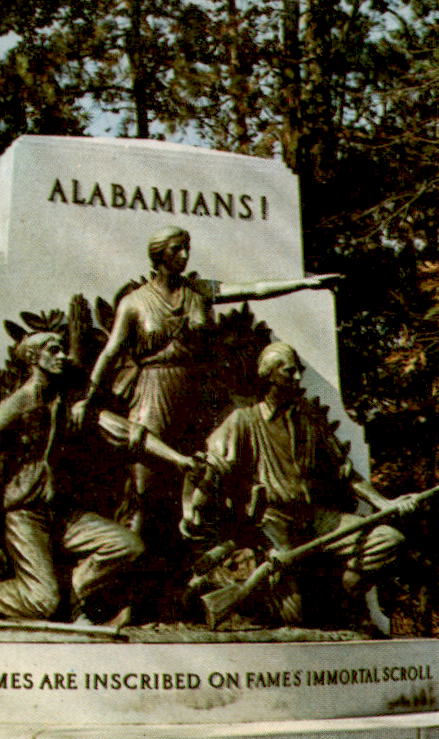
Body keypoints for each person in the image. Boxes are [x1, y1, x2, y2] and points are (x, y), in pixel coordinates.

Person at [79, 226, 337, 539]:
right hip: (154, 388)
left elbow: (255, 289)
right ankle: (135, 541)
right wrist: (89, 396)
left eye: (187, 248)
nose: (184, 255)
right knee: (145, 475)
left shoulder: (199, 291)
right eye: (176, 249)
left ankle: (213, 536)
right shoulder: (134, 303)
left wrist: (304, 284)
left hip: (198, 390)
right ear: (159, 255)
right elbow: (111, 352)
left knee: (212, 462)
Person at [0, 332, 205, 625]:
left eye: (63, 350)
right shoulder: (12, 411)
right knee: (43, 603)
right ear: (33, 358)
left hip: (62, 515)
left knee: (127, 546)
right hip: (25, 515)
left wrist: (179, 460)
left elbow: (129, 433)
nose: (63, 356)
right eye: (54, 350)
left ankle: (70, 601)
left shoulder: (68, 406)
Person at [183, 342, 410, 629]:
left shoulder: (309, 419)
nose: (298, 378)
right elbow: (210, 468)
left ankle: (347, 601)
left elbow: (345, 472)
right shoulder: (244, 421)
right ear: (268, 375)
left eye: (298, 370)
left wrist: (384, 503)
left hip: (315, 518)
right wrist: (192, 508)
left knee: (387, 539)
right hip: (272, 523)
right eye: (289, 371)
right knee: (292, 617)